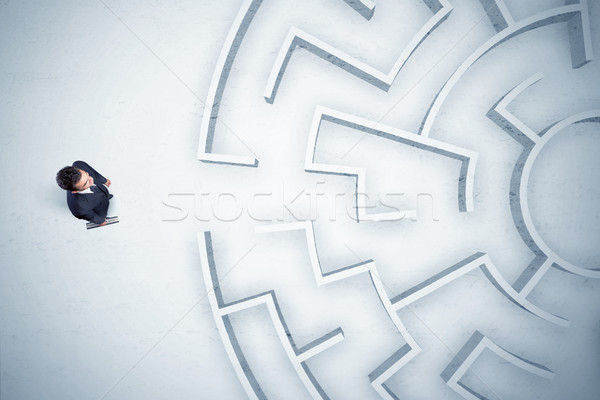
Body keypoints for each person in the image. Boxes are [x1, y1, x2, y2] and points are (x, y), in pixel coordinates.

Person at [56, 160, 113, 225]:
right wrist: (100, 221)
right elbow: (91, 216)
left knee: (105, 195)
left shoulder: (79, 165)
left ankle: (107, 196)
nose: (92, 179)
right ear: (75, 191)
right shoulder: (79, 209)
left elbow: (93, 172)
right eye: (86, 182)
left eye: (87, 174)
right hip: (99, 209)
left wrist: (104, 180)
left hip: (102, 191)